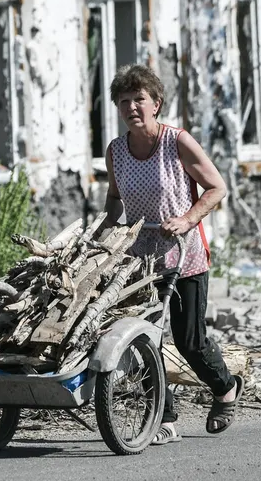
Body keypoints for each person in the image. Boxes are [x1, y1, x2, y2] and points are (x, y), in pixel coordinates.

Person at [103, 63, 243, 445]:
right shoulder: (116, 151)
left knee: (188, 340)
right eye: (124, 101)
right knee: (143, 339)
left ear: (156, 103)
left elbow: (216, 188)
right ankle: (163, 418)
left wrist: (187, 218)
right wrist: (103, 235)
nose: (132, 107)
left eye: (139, 99)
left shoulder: (176, 141)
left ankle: (226, 387)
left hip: (185, 256)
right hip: (140, 261)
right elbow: (115, 199)